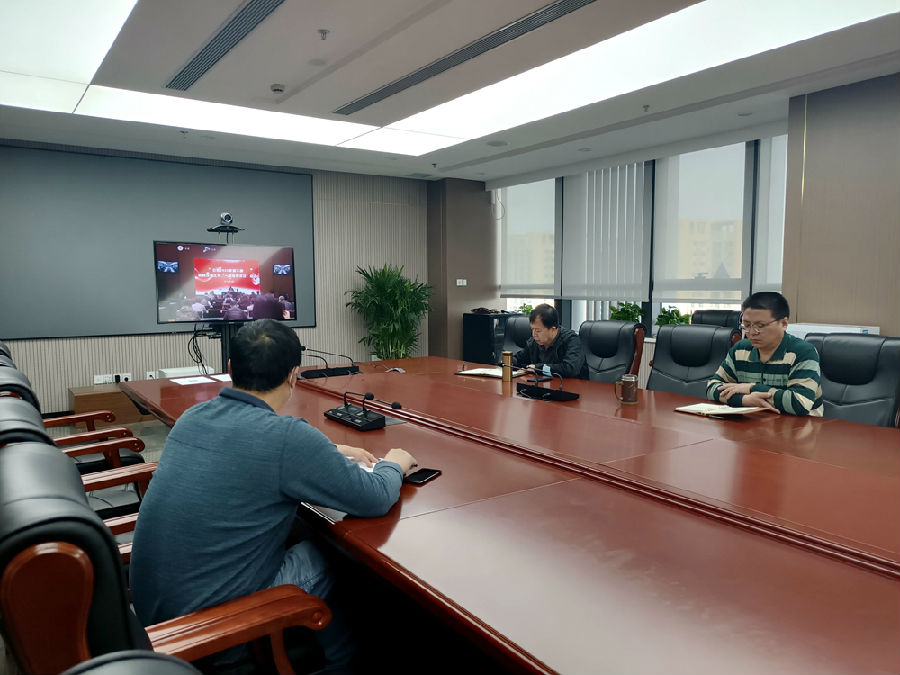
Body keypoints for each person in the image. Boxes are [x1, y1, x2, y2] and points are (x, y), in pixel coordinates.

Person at [130, 319, 417, 672]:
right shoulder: (286, 438)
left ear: (231, 368)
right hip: (212, 633)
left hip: (155, 621)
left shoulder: (193, 417)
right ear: (294, 375)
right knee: (334, 552)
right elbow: (374, 498)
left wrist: (328, 450)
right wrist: (394, 464)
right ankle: (344, 665)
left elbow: (247, 450)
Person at [706, 291, 823, 416]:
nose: (752, 332)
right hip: (754, 422)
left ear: (783, 324)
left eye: (760, 326)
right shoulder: (740, 349)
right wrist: (745, 400)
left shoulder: (803, 352)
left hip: (800, 425)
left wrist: (750, 388)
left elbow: (799, 403)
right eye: (746, 325)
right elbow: (712, 388)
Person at [511, 303, 588, 379]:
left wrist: (538, 368)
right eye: (532, 329)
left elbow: (570, 369)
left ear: (553, 329)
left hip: (572, 385)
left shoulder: (571, 340)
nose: (534, 334)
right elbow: (519, 359)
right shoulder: (534, 342)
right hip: (543, 384)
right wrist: (509, 361)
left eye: (538, 331)